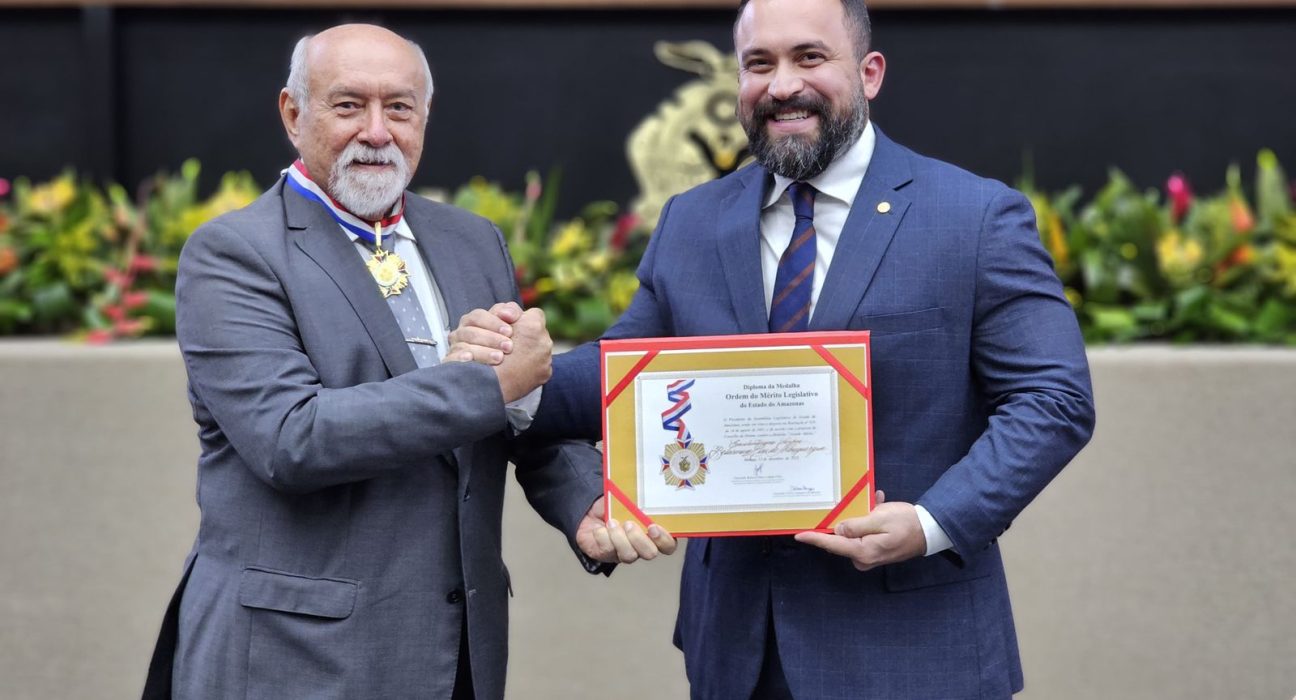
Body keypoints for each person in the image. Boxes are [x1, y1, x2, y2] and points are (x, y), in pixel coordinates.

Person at [468, 0, 1096, 697]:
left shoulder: (973, 217)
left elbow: (1054, 399)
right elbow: (622, 383)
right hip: (738, 651)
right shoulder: (693, 221)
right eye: (758, 64)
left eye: (809, 58)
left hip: (914, 647)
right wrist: (505, 378)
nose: (781, 85)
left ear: (870, 72)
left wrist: (931, 523)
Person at [141, 24, 674, 700]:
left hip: (455, 654)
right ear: (292, 113)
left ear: (425, 117)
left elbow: (513, 413)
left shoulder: (471, 242)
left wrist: (586, 500)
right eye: (347, 105)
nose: (376, 130)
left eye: (399, 107)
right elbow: (290, 438)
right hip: (294, 658)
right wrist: (482, 383)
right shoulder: (234, 253)